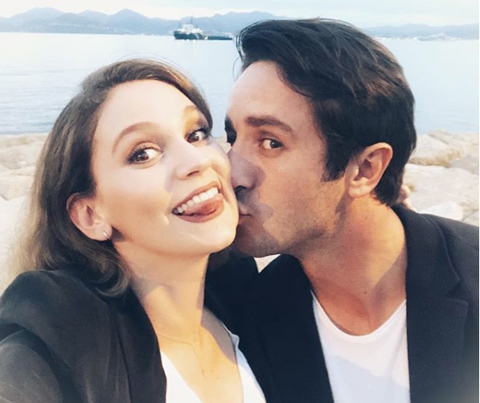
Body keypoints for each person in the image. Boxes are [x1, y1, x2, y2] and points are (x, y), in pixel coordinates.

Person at [225, 19, 479, 403]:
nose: (231, 172)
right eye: (232, 137)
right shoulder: (253, 317)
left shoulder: (472, 273)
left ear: (364, 169)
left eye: (271, 142)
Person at [0, 59, 269, 403]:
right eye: (143, 154)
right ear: (91, 215)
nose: (197, 161)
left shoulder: (252, 303)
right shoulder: (63, 340)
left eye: (196, 134)